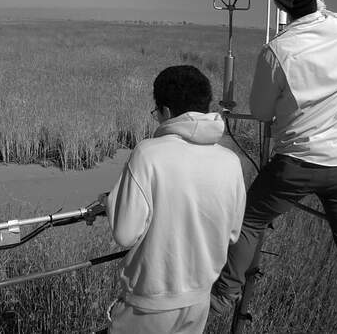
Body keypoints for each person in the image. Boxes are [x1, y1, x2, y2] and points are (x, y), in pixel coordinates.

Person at [210, 0, 337, 334]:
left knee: (250, 219)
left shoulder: (277, 51)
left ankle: (224, 296)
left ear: (277, 2)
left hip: (296, 164)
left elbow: (262, 111)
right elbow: (320, 7)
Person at [99, 65, 246, 334]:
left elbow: (124, 234)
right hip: (198, 301)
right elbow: (234, 233)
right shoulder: (231, 162)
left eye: (157, 113)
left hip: (148, 305)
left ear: (166, 111)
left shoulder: (148, 154)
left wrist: (111, 203)